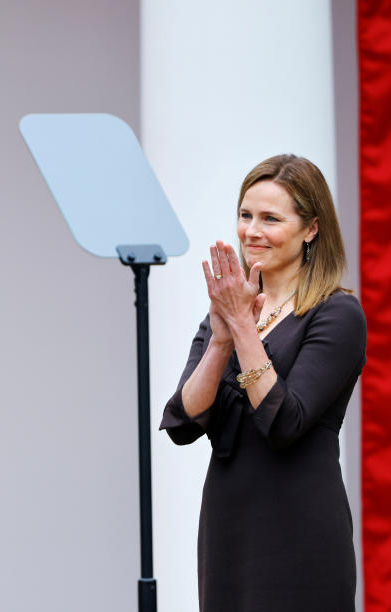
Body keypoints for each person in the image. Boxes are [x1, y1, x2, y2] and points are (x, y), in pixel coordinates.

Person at [160, 154, 365, 611]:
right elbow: (183, 423)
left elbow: (284, 421)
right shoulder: (227, 312)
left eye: (270, 218)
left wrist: (243, 329)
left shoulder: (337, 313)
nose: (251, 231)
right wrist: (220, 341)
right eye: (245, 215)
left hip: (300, 528)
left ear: (311, 228)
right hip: (229, 525)